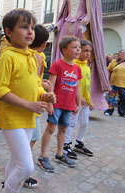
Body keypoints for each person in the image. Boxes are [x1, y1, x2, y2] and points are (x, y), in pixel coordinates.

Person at [0, 9, 56, 193]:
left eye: (32, 28)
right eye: (24, 27)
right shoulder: (7, 57)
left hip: (27, 117)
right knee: (26, 167)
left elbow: (35, 85)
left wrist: (44, 95)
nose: (30, 32)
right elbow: (0, 90)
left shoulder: (31, 57)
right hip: (12, 118)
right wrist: (29, 104)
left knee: (15, 161)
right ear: (9, 32)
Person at [52, 0, 109, 110]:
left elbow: (95, 12)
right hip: (67, 27)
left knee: (81, 60)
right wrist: (57, 25)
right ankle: (61, 94)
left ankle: (82, 96)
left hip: (81, 29)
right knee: (64, 59)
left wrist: (89, 17)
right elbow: (63, 14)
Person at [38, 36, 82, 172]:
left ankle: (60, 154)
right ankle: (42, 156)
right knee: (51, 128)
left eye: (79, 47)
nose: (78, 49)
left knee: (63, 129)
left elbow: (77, 87)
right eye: (74, 47)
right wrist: (50, 103)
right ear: (64, 50)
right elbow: (51, 85)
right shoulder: (57, 65)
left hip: (68, 105)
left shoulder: (77, 68)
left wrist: (78, 103)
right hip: (57, 104)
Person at [23, 24, 51, 189]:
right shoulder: (38, 57)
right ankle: (23, 171)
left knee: (31, 137)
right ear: (44, 44)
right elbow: (34, 81)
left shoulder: (28, 54)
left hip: (30, 101)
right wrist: (46, 88)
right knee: (31, 138)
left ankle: (21, 165)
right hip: (33, 104)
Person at [63, 39, 94, 160]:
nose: (88, 54)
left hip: (85, 102)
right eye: (85, 50)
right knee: (71, 123)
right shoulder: (73, 65)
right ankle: (65, 145)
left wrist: (90, 100)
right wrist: (78, 99)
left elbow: (87, 85)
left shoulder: (87, 67)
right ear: (78, 50)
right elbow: (71, 84)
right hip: (75, 101)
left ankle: (79, 142)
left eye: (89, 51)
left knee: (84, 123)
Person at [104, 49, 125, 118]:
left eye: (124, 53)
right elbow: (109, 70)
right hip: (113, 83)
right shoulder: (114, 61)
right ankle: (109, 111)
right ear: (119, 54)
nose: (122, 54)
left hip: (124, 84)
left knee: (123, 99)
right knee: (112, 98)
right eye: (121, 53)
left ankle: (123, 113)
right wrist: (107, 79)